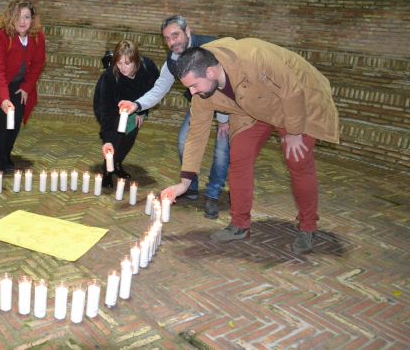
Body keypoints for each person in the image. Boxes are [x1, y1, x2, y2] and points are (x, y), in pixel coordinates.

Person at [161, 38, 340, 254]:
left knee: (298, 160)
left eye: (193, 85)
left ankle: (308, 226)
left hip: (297, 101)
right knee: (239, 159)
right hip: (251, 108)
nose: (191, 92)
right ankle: (239, 225)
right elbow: (196, 134)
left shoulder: (254, 59)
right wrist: (184, 182)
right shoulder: (203, 89)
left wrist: (293, 133)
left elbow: (292, 91)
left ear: (210, 72)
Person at [118, 15, 229, 219]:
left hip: (228, 104)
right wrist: (137, 104)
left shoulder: (212, 47)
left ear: (188, 31)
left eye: (175, 35)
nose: (171, 42)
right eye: (167, 38)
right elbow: (159, 89)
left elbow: (225, 83)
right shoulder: (173, 60)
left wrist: (223, 120)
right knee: (183, 142)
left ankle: (213, 195)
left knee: (222, 148)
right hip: (200, 101)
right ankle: (190, 187)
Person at [0, 0, 46, 172]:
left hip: (20, 85)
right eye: (18, 16)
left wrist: (27, 87)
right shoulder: (2, 34)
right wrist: (3, 99)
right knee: (1, 120)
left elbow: (38, 64)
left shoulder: (37, 36)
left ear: (32, 19)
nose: (22, 21)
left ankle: (7, 153)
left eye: (27, 17)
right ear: (11, 17)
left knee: (15, 120)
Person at [95, 40, 159, 187]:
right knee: (116, 137)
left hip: (136, 106)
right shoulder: (110, 76)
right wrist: (107, 139)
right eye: (119, 63)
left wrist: (142, 111)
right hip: (111, 106)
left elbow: (154, 92)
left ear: (136, 61)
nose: (122, 68)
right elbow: (106, 110)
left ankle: (117, 164)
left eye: (127, 63)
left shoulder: (148, 68)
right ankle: (107, 171)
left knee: (129, 136)